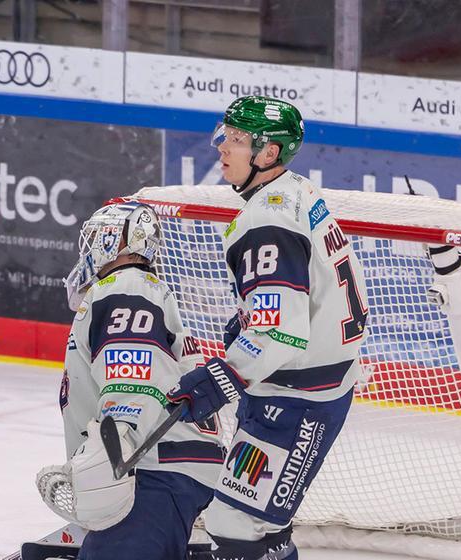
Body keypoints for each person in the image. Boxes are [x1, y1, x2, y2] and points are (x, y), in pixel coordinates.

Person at [166, 96, 369, 559]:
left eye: (237, 140)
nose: (222, 148)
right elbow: (298, 301)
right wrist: (246, 321)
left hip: (298, 400)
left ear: (268, 153)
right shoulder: (296, 191)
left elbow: (278, 332)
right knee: (262, 529)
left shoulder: (267, 219)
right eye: (226, 135)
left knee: (235, 524)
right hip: (302, 386)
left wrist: (220, 377)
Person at [45, 202, 225, 559]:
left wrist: (110, 463)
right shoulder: (138, 289)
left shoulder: (122, 289)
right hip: (164, 468)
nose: (91, 247)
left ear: (118, 241)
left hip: (149, 472)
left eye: (98, 237)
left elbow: (133, 385)